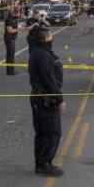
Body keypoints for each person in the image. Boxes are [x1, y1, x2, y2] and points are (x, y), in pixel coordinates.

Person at [28, 27, 67, 176]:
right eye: (49, 36)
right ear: (44, 39)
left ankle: (40, 163)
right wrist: (59, 99)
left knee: (42, 133)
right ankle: (46, 163)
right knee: (52, 132)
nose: (52, 38)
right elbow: (49, 79)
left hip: (39, 98)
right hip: (45, 98)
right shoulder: (43, 55)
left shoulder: (37, 52)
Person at [4, 7, 21, 75]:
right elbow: (9, 30)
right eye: (18, 13)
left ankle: (11, 69)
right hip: (9, 38)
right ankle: (10, 71)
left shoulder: (14, 19)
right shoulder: (9, 19)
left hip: (13, 38)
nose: (19, 15)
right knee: (10, 55)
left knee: (12, 54)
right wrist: (18, 29)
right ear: (15, 12)